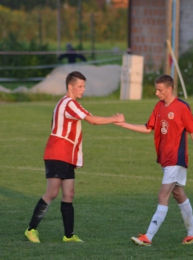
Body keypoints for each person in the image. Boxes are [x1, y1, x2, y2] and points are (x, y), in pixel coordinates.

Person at [24, 71, 124, 243]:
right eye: (80, 86)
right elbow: (92, 120)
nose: (83, 90)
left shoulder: (69, 104)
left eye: (84, 86)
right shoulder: (69, 103)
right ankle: (31, 229)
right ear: (70, 87)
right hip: (57, 152)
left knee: (69, 194)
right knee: (52, 192)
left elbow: (55, 122)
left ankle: (68, 236)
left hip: (67, 154)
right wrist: (114, 119)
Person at [115, 74, 193, 246]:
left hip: (175, 159)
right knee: (178, 193)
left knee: (162, 195)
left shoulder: (182, 107)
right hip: (165, 159)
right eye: (156, 89)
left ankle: (148, 237)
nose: (157, 93)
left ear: (170, 89)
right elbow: (147, 128)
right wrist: (123, 124)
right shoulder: (159, 106)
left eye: (160, 90)